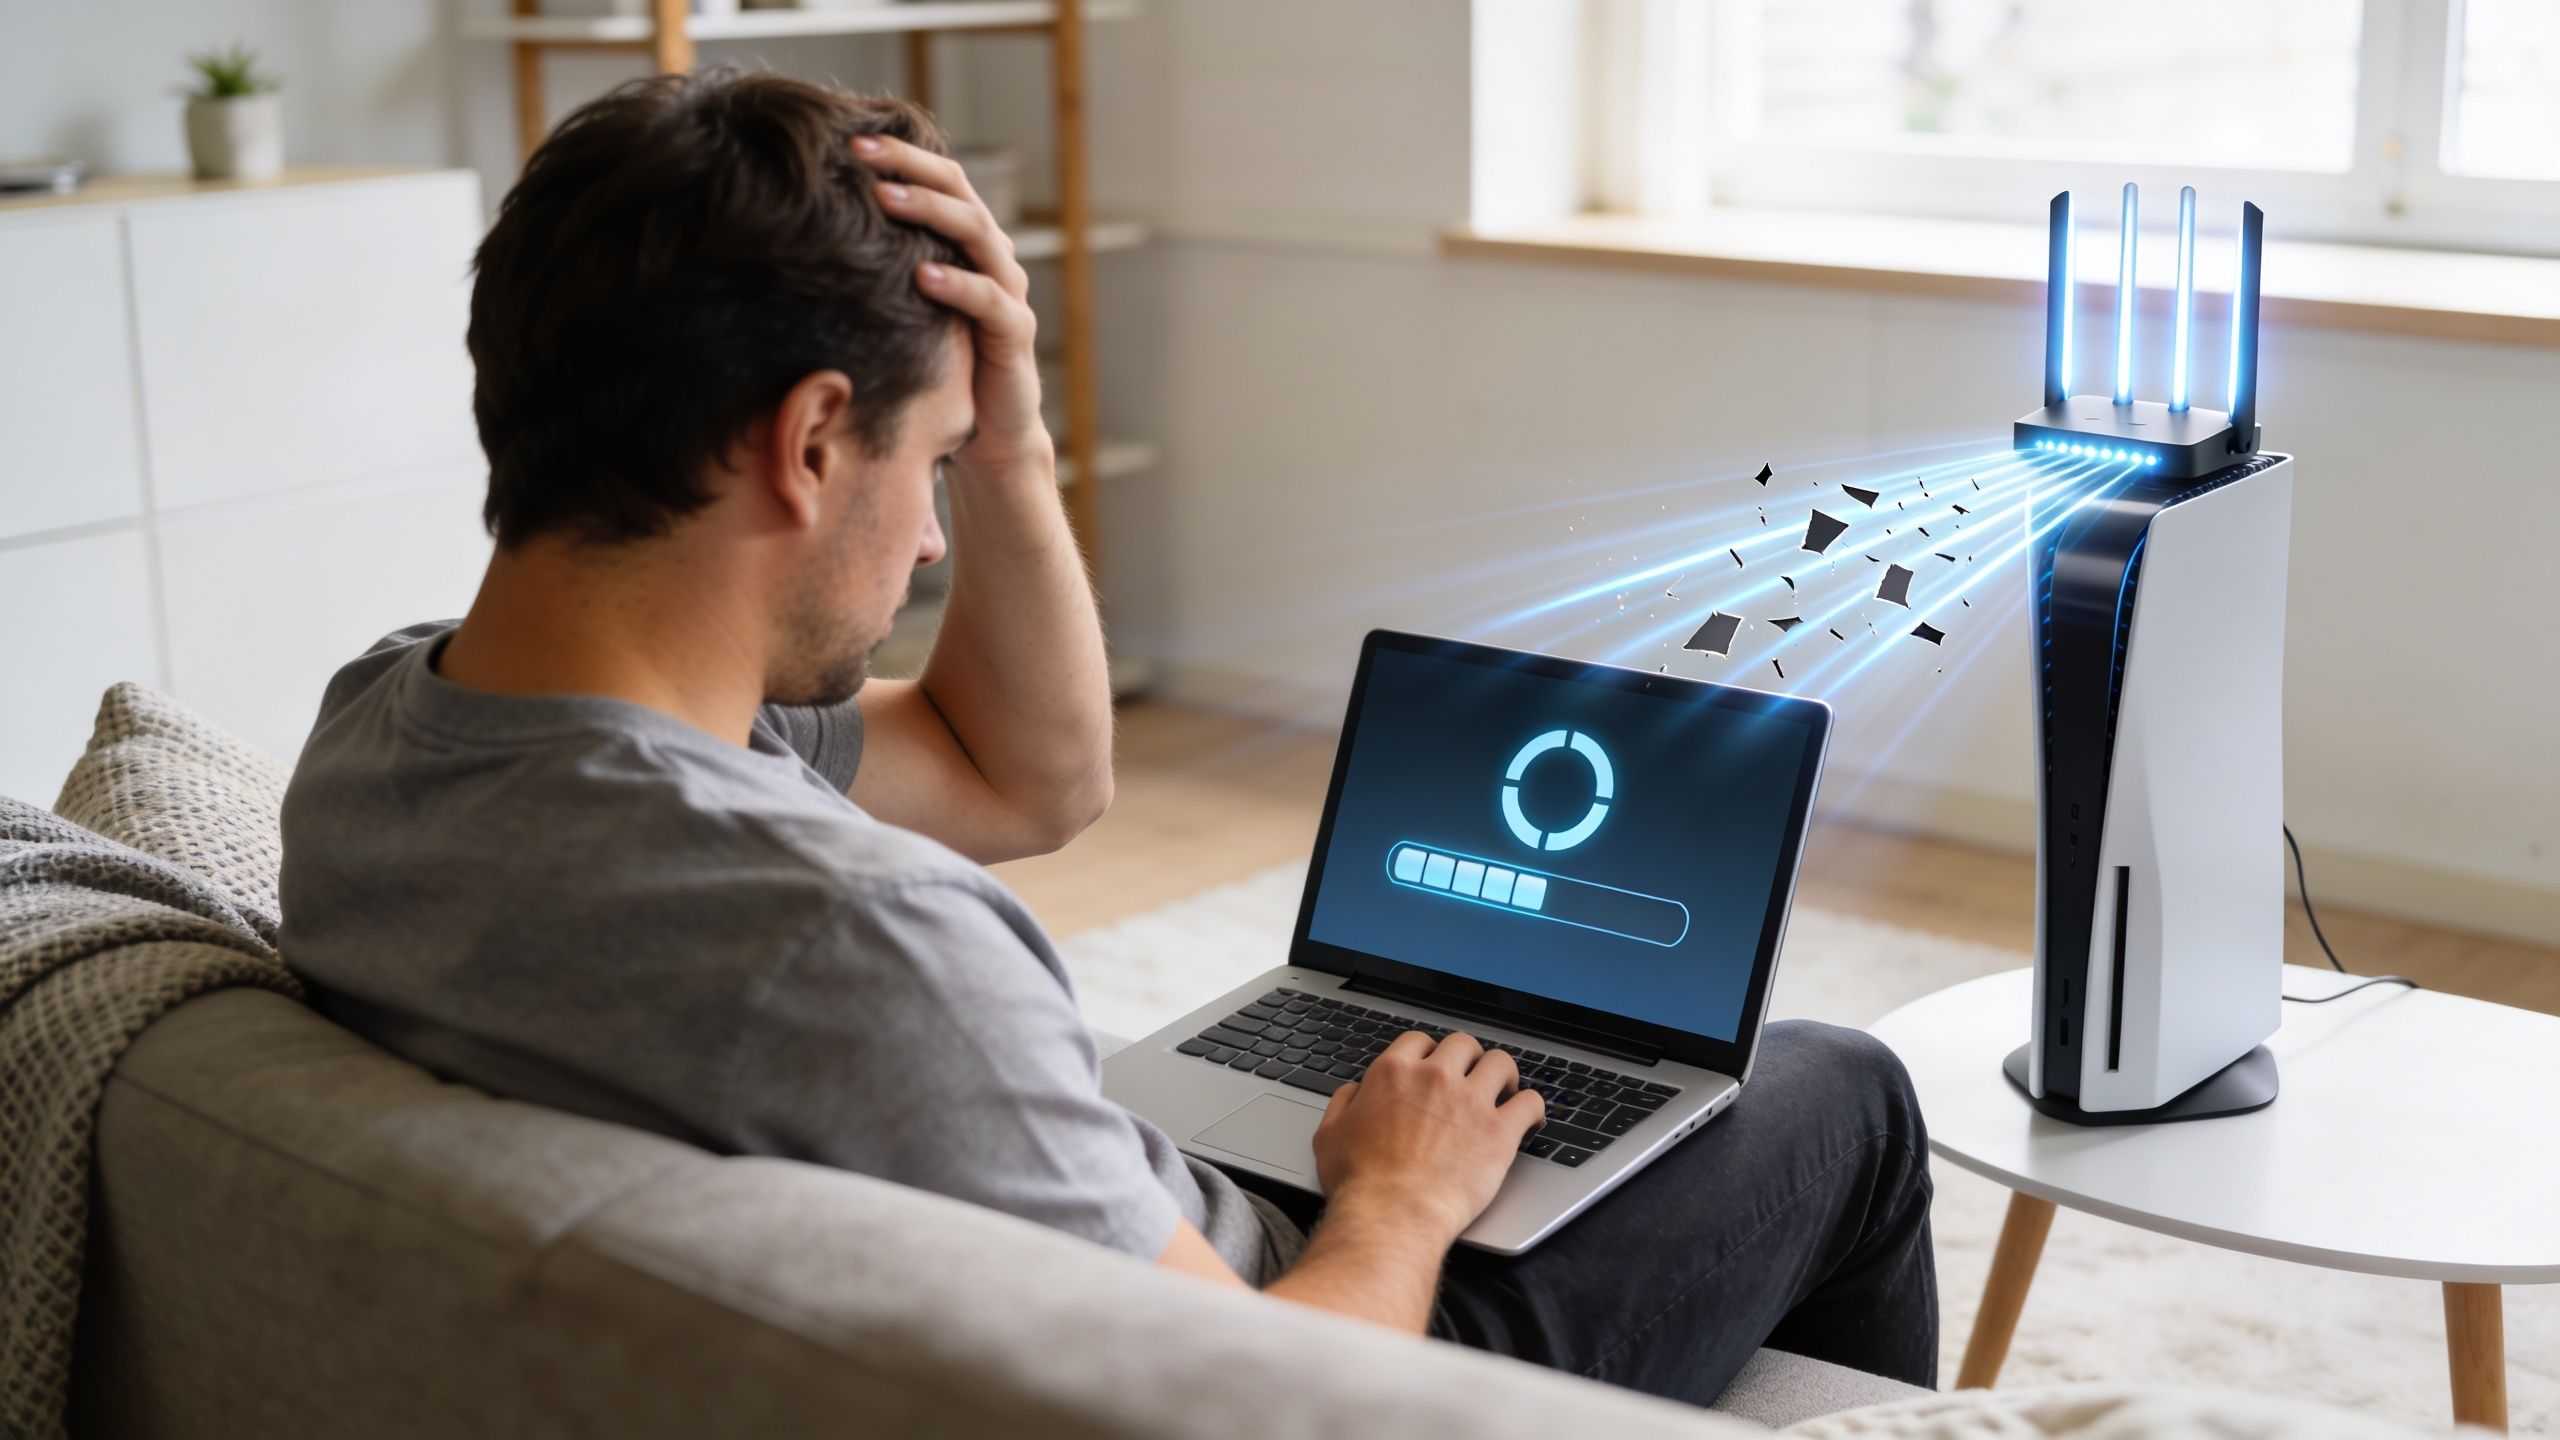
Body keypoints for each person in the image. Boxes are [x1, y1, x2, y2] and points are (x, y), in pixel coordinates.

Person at [278, 69, 1936, 1406]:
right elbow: (1268, 1401)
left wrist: (1007, 441)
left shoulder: (385, 741)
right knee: (1838, 1090)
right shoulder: (855, 944)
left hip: (1126, 1251)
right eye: (930, 470)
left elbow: (1035, 779)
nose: (934, 543)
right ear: (808, 442)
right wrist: (1400, 1197)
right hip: (1325, 1333)